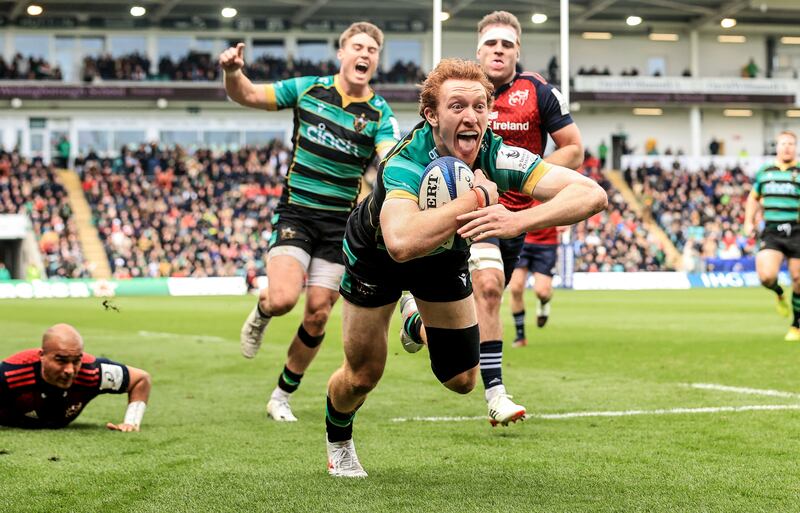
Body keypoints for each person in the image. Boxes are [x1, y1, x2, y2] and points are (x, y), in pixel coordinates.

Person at [324, 58, 607, 477]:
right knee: (362, 376)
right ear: (431, 115)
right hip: (377, 259)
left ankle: (414, 321)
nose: (471, 116)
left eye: (479, 106)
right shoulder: (405, 160)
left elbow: (591, 194)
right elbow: (401, 243)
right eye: (457, 106)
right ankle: (339, 442)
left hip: (441, 258)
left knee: (462, 379)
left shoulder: (496, 152)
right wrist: (477, 198)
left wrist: (518, 220)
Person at [398, 11, 583, 426]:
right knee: (489, 285)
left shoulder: (540, 92)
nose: (499, 50)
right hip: (470, 207)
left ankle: (414, 321)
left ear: (518, 51)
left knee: (481, 304)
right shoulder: (454, 91)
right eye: (491, 44)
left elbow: (573, 149)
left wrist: (525, 175)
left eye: (507, 44)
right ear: (478, 51)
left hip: (515, 213)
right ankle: (496, 393)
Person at [219, 22, 400, 422]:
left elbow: (389, 156)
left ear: (376, 60)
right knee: (283, 299)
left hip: (340, 226)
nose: (365, 54)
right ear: (342, 53)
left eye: (372, 50)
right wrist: (233, 72)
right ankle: (263, 310)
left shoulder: (380, 113)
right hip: (297, 213)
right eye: (358, 47)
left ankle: (281, 395)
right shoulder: (308, 89)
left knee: (318, 313)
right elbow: (248, 94)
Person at [0, 324, 151, 430]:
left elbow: (141, 379)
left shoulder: (92, 372)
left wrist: (131, 422)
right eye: (61, 360)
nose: (70, 370)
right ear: (42, 356)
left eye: (76, 360)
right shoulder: (10, 374)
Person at [744, 130, 800, 341]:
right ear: (777, 146)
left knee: (798, 279)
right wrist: (748, 221)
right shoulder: (765, 171)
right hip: (772, 231)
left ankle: (796, 325)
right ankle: (778, 292)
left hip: (796, 231)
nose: (787, 147)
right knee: (766, 276)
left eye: (791, 144)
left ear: (795, 147)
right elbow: (753, 198)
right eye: (783, 143)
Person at [508, 227, 560, 346]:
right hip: (520, 236)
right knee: (515, 288)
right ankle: (520, 335)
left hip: (546, 242)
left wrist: (566, 222)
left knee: (542, 293)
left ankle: (543, 304)